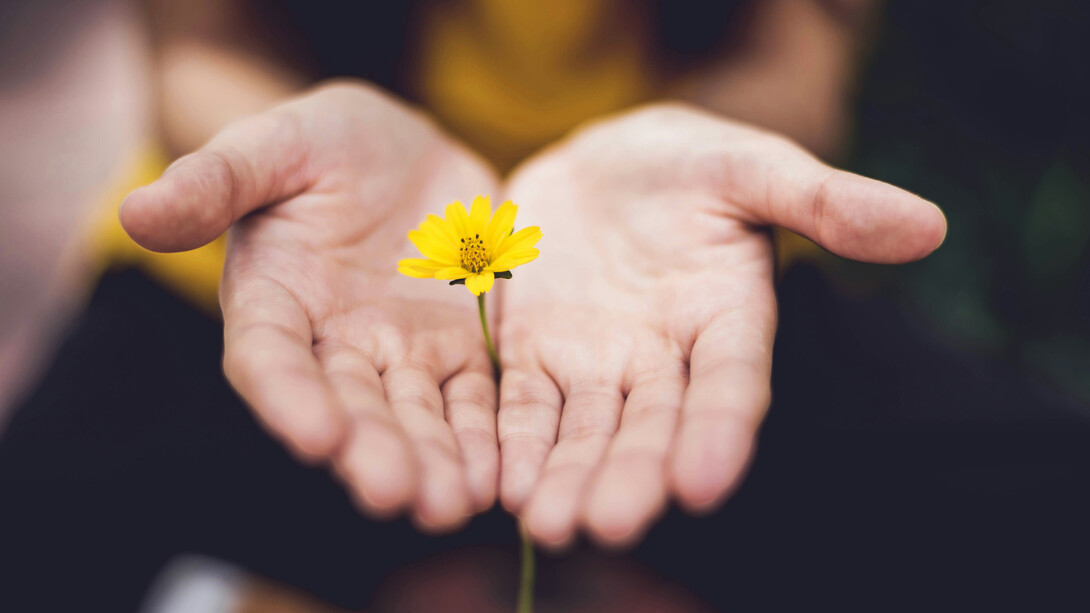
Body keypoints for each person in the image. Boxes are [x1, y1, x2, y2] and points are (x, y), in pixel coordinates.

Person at [116, 0, 945, 549]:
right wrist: (273, 146)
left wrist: (704, 140)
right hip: (310, 265)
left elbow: (803, 46)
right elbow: (198, 41)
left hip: (678, 273)